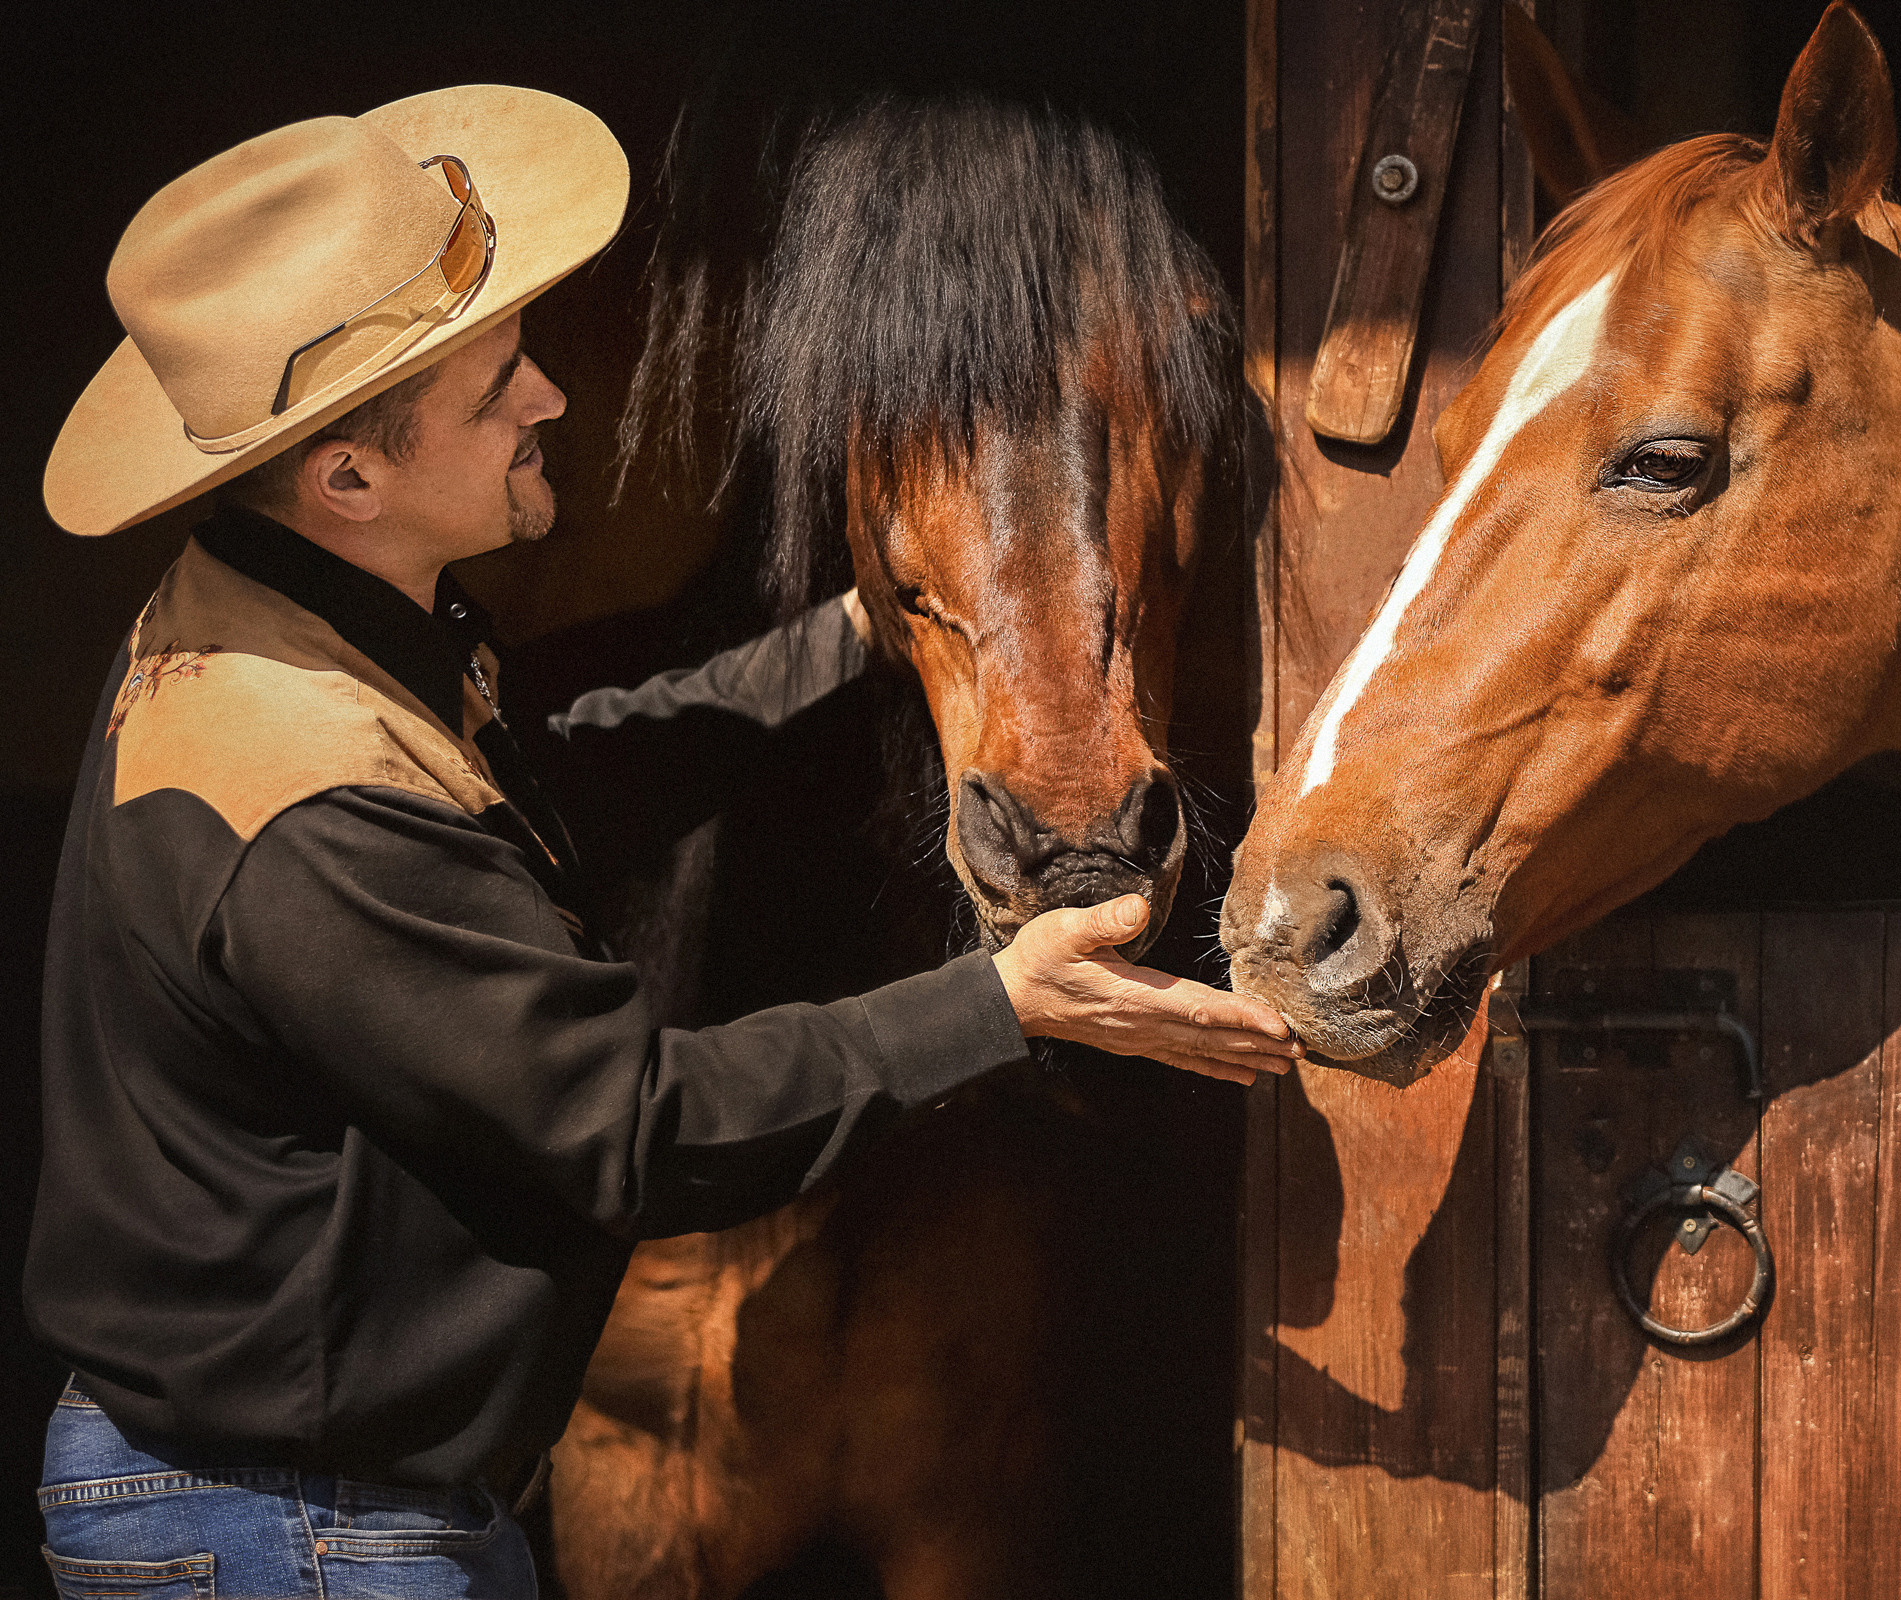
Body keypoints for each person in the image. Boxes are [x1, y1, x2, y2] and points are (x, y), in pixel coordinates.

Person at [29, 86, 1295, 1598]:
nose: (549, 399)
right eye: (496, 382)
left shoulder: (295, 623)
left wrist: (855, 630)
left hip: (331, 1504)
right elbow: (624, 1126)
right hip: (294, 1532)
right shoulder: (311, 812)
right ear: (349, 477)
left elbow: (557, 784)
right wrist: (998, 1006)